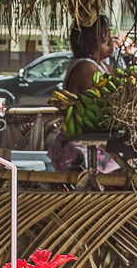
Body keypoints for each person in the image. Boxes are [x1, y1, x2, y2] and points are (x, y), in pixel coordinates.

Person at [49, 15, 119, 171]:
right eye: (104, 39)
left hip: (98, 142)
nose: (110, 43)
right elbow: (104, 104)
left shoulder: (103, 66)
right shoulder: (85, 68)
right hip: (81, 145)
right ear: (91, 43)